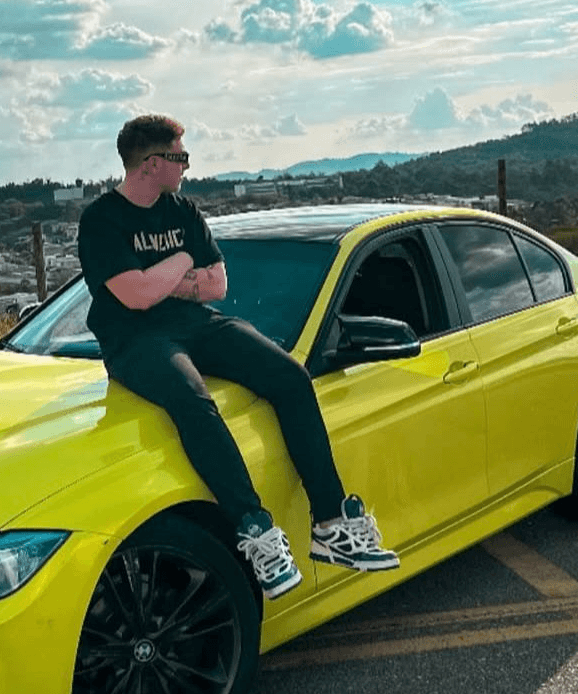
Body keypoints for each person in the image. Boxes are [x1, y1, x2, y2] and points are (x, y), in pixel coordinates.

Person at [78, 114, 399, 601]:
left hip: (196, 325)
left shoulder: (183, 210)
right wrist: (184, 261)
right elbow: (136, 298)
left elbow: (218, 285)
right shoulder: (102, 220)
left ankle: (331, 523)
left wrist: (160, 277)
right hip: (134, 342)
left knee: (290, 377)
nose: (187, 165)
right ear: (151, 164)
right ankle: (256, 529)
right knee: (192, 399)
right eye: (181, 157)